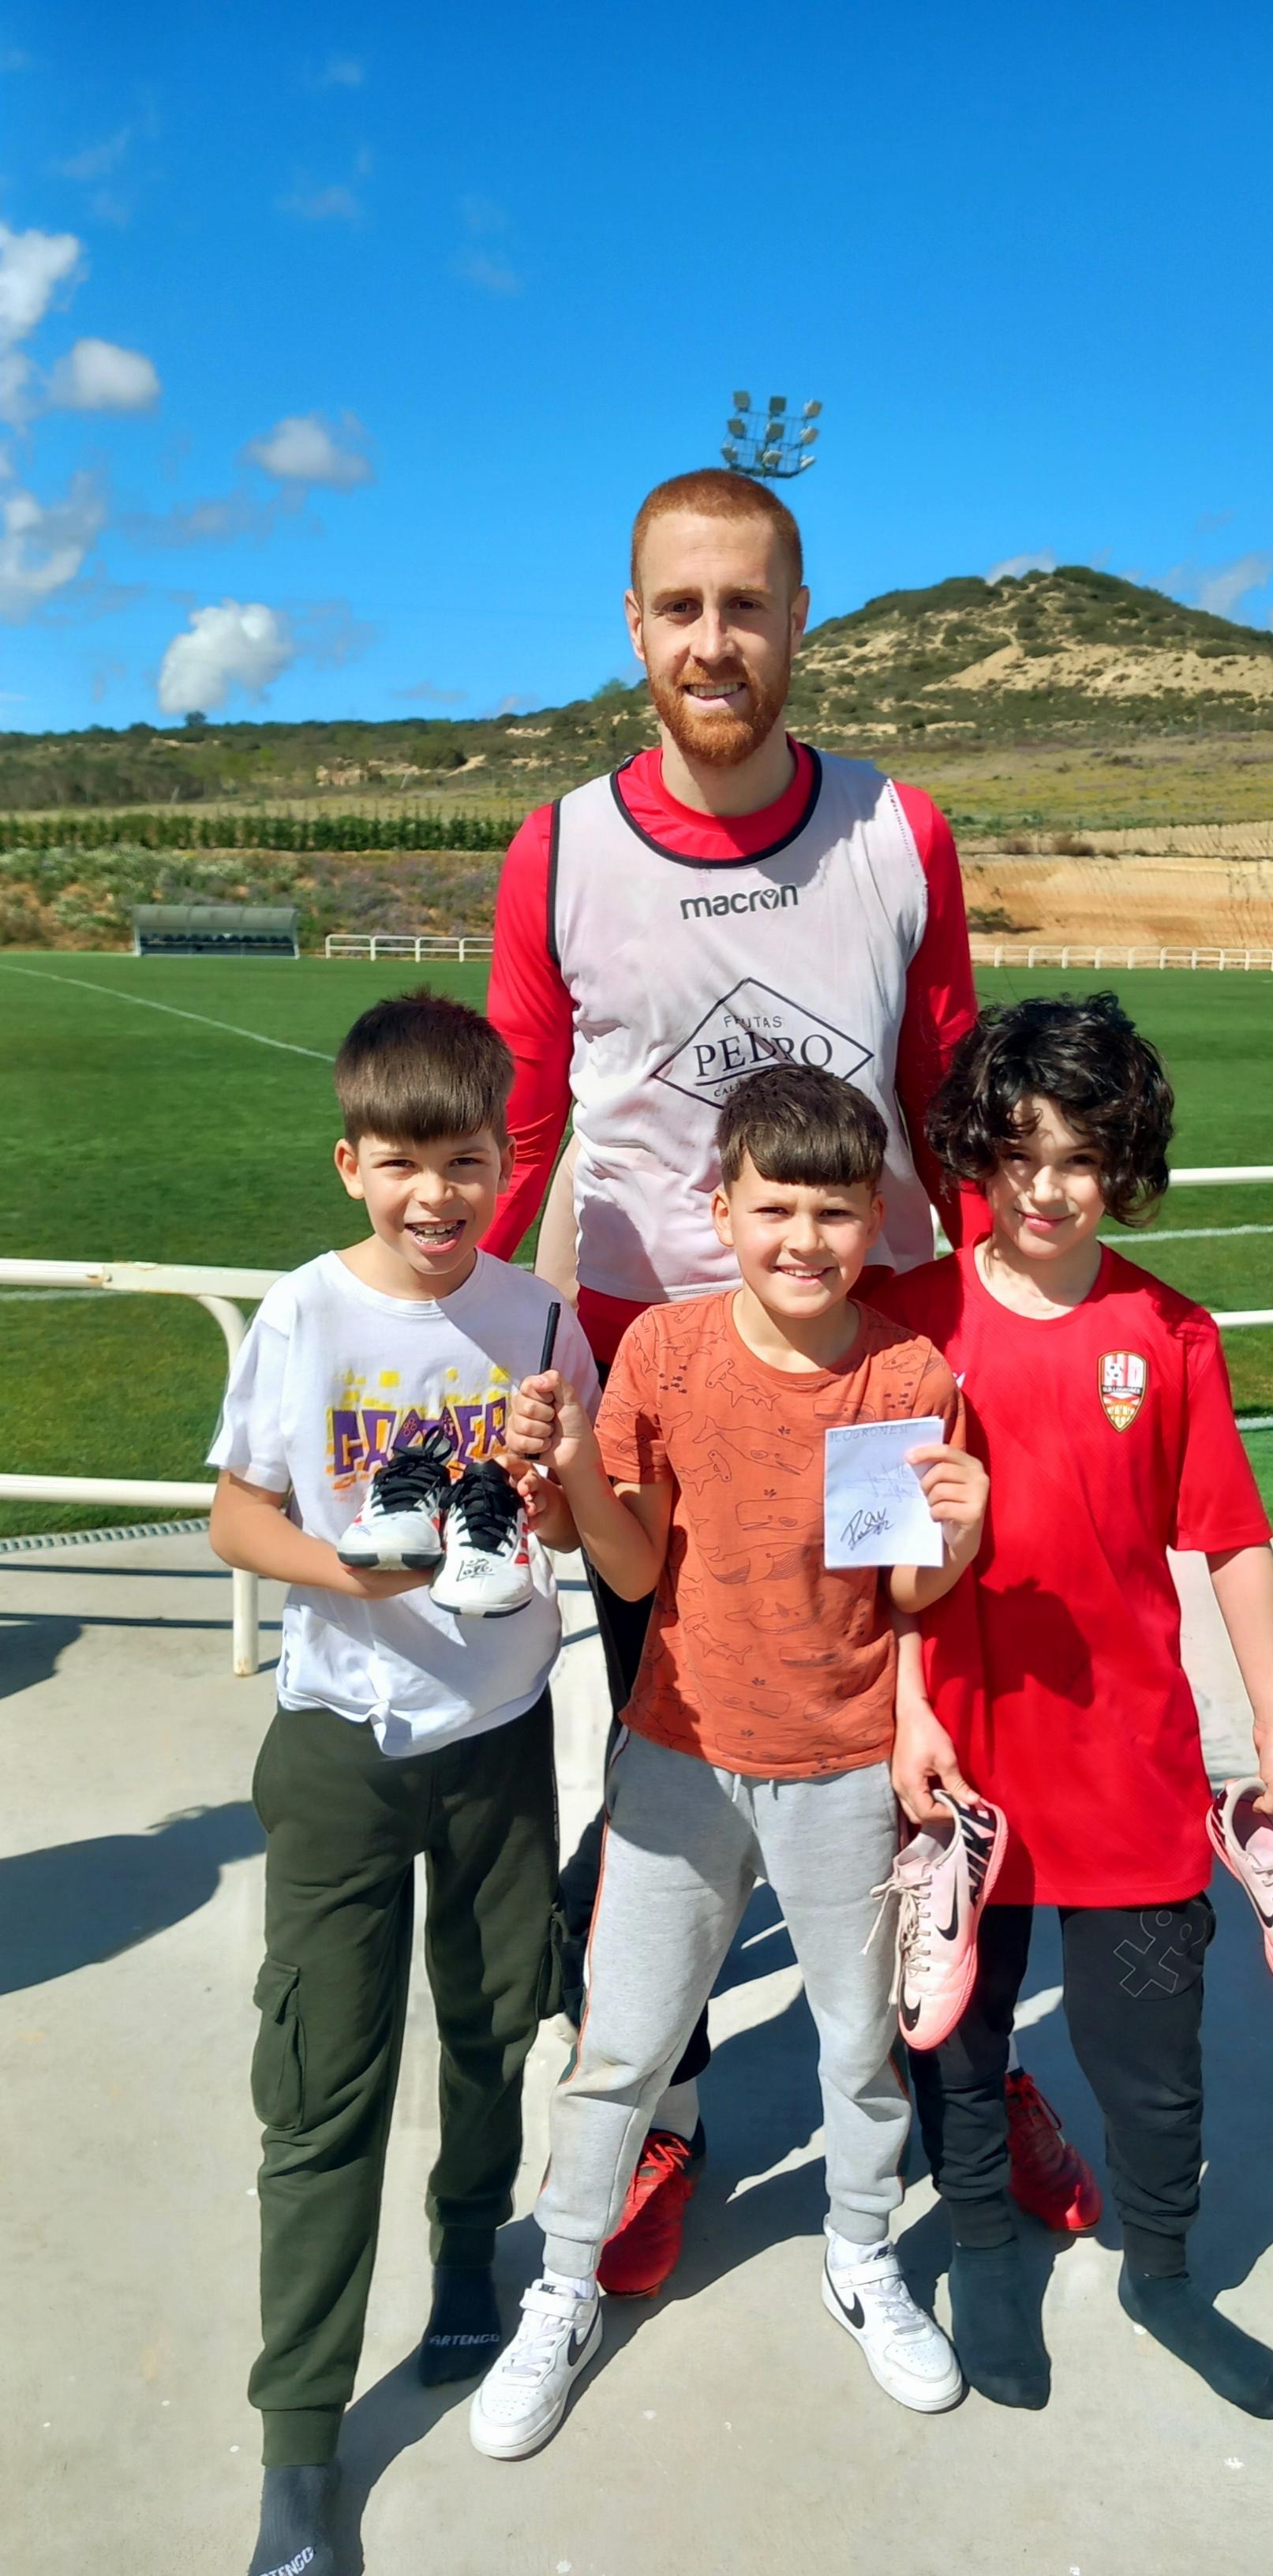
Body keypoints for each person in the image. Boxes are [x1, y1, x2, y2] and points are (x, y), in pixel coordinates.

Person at [484, 464, 1095, 2286]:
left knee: (925, 1747)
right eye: (679, 608)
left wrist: (1015, 1351)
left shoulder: (898, 831)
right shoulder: (559, 849)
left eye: (744, 606)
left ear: (799, 619)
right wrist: (469, 1368)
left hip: (876, 1374)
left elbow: (951, 1105)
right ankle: (666, 2114)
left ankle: (969, 2078)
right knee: (672, 1761)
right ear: (632, 626)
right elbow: (522, 1134)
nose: (713, 642)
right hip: (657, 1401)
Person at [470, 1064, 988, 2459]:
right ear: (721, 1210)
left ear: (871, 1217)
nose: (803, 1240)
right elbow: (631, 1566)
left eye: (834, 1211)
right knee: (621, 2048)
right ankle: (564, 2282)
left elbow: (904, 1592)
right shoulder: (665, 1353)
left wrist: (960, 1533)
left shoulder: (903, 1374)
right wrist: (575, 1472)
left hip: (842, 1764)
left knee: (858, 2047)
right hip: (679, 1756)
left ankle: (861, 2251)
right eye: (774, 1208)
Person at [876, 992, 1273, 2420]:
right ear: (974, 1156)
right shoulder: (909, 1324)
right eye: (1017, 1155)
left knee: (1151, 2057)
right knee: (960, 2042)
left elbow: (1230, 1540)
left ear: (1123, 1163)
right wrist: (906, 1711)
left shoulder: (1168, 1332)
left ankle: (1164, 2273)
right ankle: (985, 2253)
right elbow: (871, 1559)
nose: (1045, 1189)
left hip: (1128, 1760)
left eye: (1077, 1158)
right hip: (962, 1758)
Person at [208, 990, 596, 2576]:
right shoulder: (306, 1314)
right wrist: (349, 1575)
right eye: (401, 1164)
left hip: (499, 1736)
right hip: (341, 1747)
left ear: (504, 1160)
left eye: (465, 1162)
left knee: (495, 2027)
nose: (435, 1196)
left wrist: (552, 1483)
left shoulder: (540, 1319)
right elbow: (237, 1514)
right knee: (322, 2084)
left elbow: (570, 1527)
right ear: (350, 1164)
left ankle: (463, 2258)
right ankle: (299, 2443)